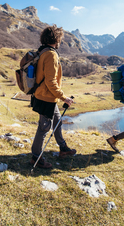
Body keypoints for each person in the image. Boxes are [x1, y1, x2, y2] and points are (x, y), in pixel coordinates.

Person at [30, 25, 76, 169]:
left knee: (57, 121)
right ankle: (36, 158)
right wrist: (64, 97)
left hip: (45, 95)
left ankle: (63, 148)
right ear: (56, 39)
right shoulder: (51, 54)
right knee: (43, 128)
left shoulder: (43, 51)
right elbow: (50, 81)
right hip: (46, 97)